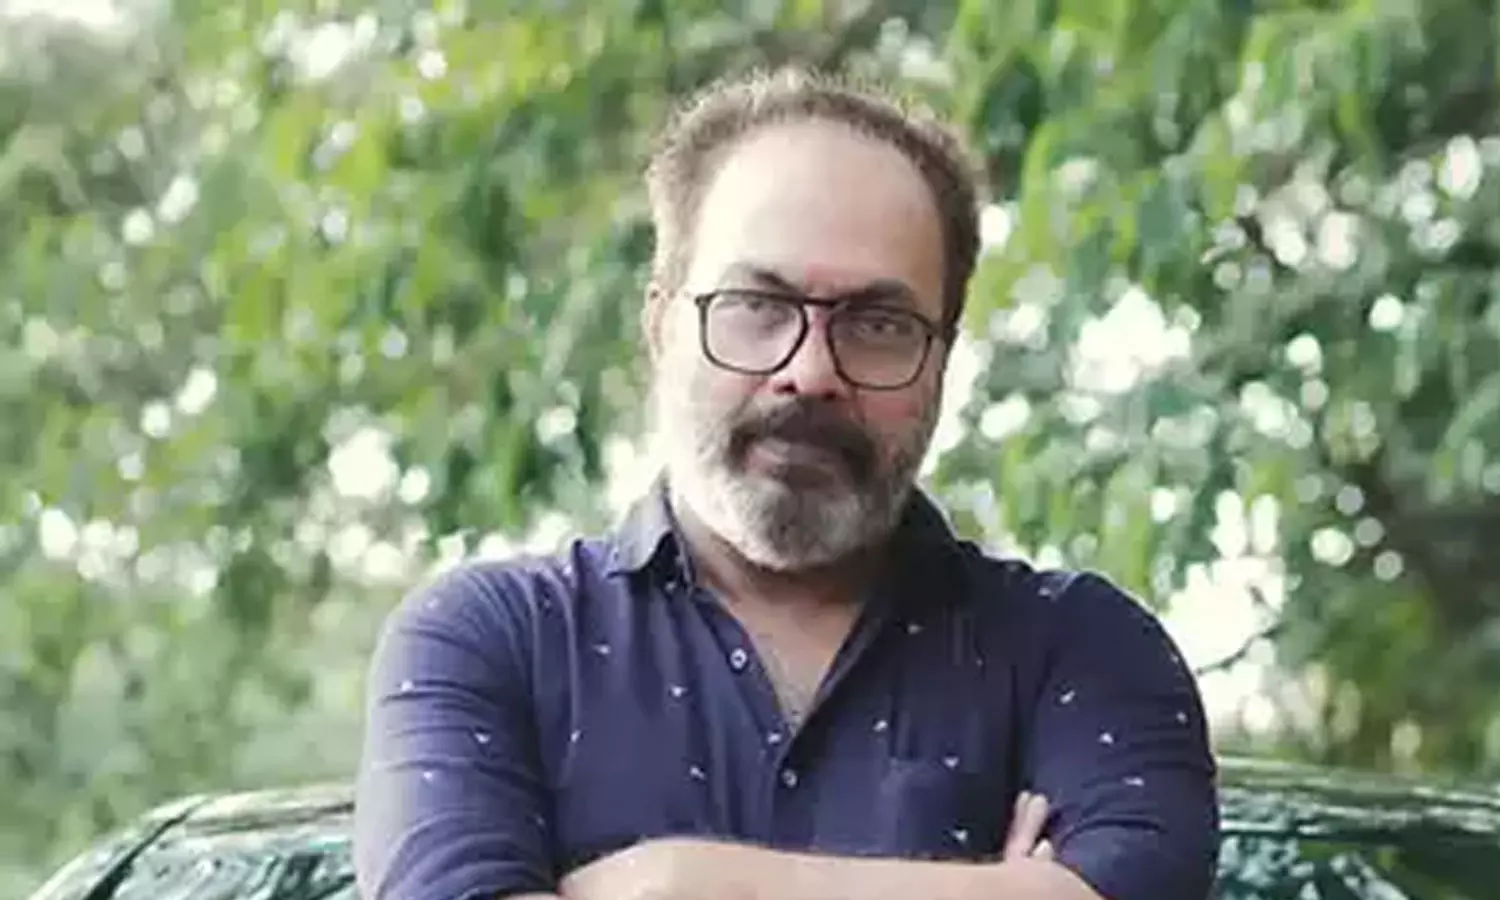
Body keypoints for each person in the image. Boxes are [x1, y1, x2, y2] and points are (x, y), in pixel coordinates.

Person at [353, 66, 1219, 900]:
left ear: (943, 359)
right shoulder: (488, 644)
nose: (810, 373)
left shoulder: (1084, 650)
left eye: (878, 323)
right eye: (757, 307)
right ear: (661, 326)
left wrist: (671, 884)